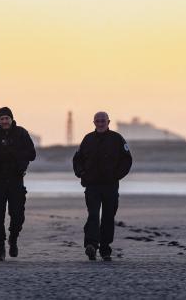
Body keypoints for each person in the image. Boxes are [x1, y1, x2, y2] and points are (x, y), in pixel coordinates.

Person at [73, 111, 133, 261]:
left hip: (110, 186)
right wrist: (81, 173)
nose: (100, 123)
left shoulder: (117, 139)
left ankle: (105, 249)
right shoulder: (88, 139)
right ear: (94, 122)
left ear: (108, 122)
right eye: (97, 121)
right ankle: (91, 245)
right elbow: (77, 159)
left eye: (103, 121)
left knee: (108, 217)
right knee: (93, 215)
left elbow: (127, 160)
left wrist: (116, 175)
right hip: (92, 185)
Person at [0, 107, 36, 261]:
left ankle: (13, 239)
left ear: (12, 119)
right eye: (2, 119)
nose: (4, 121)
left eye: (7, 118)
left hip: (16, 181)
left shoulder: (21, 133)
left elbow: (32, 154)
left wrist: (15, 155)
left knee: (18, 215)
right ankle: (0, 247)